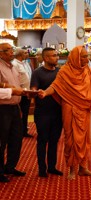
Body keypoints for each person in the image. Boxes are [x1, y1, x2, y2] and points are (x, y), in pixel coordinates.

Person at [38, 46, 91, 180]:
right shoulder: (64, 72)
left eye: (87, 56)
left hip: (84, 109)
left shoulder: (89, 73)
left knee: (84, 139)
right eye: (83, 56)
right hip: (70, 108)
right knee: (71, 139)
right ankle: (73, 169)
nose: (86, 59)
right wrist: (45, 92)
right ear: (75, 58)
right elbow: (55, 86)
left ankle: (83, 168)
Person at [30, 47, 63, 177]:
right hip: (42, 112)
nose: (56, 57)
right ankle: (42, 168)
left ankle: (52, 167)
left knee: (54, 141)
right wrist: (34, 92)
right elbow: (34, 88)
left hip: (58, 112)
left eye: (56, 55)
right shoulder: (37, 73)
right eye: (54, 55)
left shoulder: (60, 72)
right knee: (43, 140)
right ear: (46, 58)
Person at [0, 43, 26, 183]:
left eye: (12, 50)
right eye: (8, 51)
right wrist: (6, 87)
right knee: (2, 141)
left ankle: (10, 166)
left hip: (15, 107)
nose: (12, 53)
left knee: (16, 139)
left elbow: (18, 87)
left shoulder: (14, 67)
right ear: (1, 53)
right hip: (2, 109)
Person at [12, 47, 33, 138]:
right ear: (20, 54)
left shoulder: (25, 63)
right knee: (21, 113)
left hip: (27, 92)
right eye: (25, 53)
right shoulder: (14, 64)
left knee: (25, 112)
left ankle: (24, 130)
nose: (27, 54)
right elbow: (15, 79)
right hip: (20, 92)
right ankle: (20, 131)